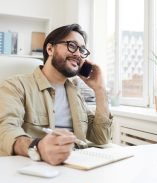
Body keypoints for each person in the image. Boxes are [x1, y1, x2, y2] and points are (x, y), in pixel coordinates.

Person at [0, 24, 113, 165]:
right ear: (50, 49)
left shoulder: (76, 94)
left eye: (82, 50)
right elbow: (5, 130)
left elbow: (101, 137)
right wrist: (38, 147)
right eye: (72, 45)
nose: (78, 54)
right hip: (35, 165)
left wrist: (100, 89)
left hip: (77, 165)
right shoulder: (16, 86)